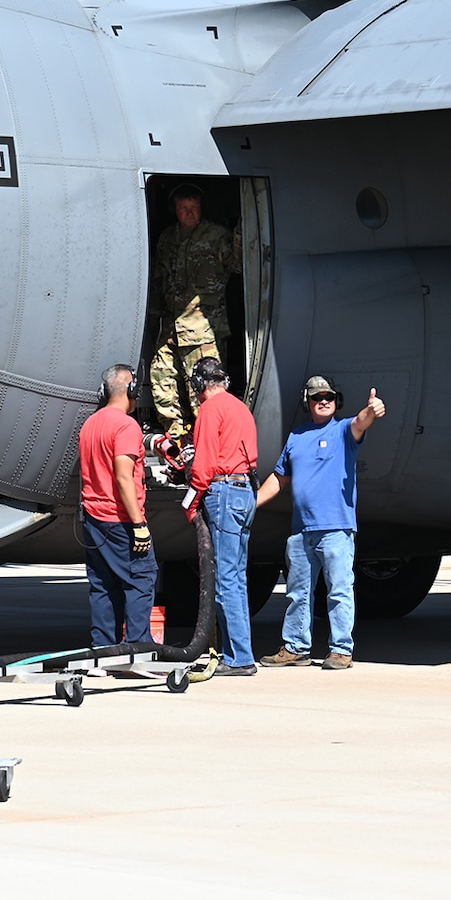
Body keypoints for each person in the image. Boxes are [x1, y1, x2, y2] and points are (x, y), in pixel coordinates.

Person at [255, 376, 385, 670]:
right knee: (297, 593)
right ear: (308, 402)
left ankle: (341, 649)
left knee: (339, 590)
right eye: (316, 397)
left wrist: (371, 410)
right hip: (301, 531)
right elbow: (279, 479)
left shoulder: (342, 431)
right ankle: (295, 647)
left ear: (336, 400)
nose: (323, 400)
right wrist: (252, 504)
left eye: (328, 396)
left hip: (336, 529)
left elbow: (361, 423)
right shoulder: (296, 437)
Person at [149, 185, 239, 445]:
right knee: (162, 378)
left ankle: (207, 441)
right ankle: (176, 437)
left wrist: (242, 233)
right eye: (183, 208)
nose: (189, 212)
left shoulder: (216, 235)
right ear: (174, 210)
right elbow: (158, 279)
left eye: (194, 208)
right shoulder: (168, 238)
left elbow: (238, 264)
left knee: (202, 388)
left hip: (202, 329)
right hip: (170, 325)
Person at [186, 355, 258, 676]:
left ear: (201, 384)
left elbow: (203, 467)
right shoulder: (239, 407)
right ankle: (239, 651)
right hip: (245, 491)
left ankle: (240, 658)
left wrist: (190, 501)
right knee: (237, 576)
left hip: (224, 492)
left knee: (225, 578)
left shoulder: (210, 410)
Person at [76, 363, 154, 653]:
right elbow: (123, 476)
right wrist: (139, 525)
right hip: (119, 519)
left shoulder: (91, 424)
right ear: (131, 390)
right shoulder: (125, 425)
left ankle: (103, 653)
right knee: (140, 580)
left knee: (103, 586)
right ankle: (138, 653)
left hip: (93, 518)